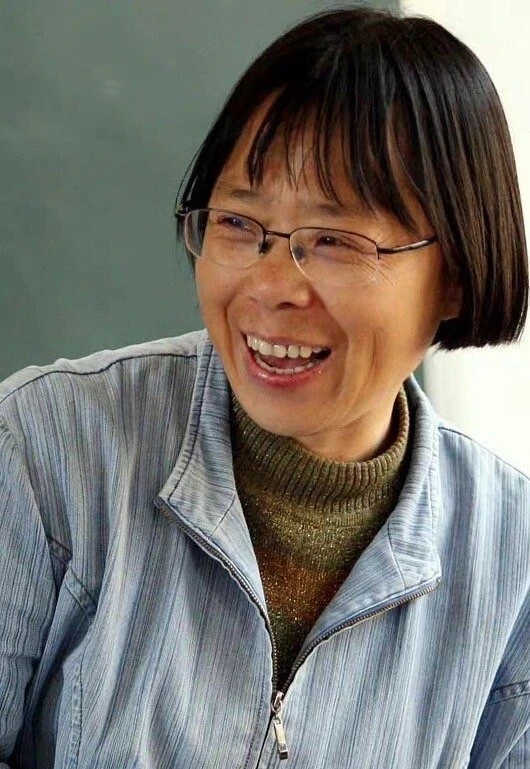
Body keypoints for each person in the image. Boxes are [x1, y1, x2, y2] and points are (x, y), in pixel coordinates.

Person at [0, 6, 528, 768]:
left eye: (336, 241)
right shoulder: (45, 451)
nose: (272, 286)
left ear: (456, 273)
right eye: (239, 224)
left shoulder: (513, 561)